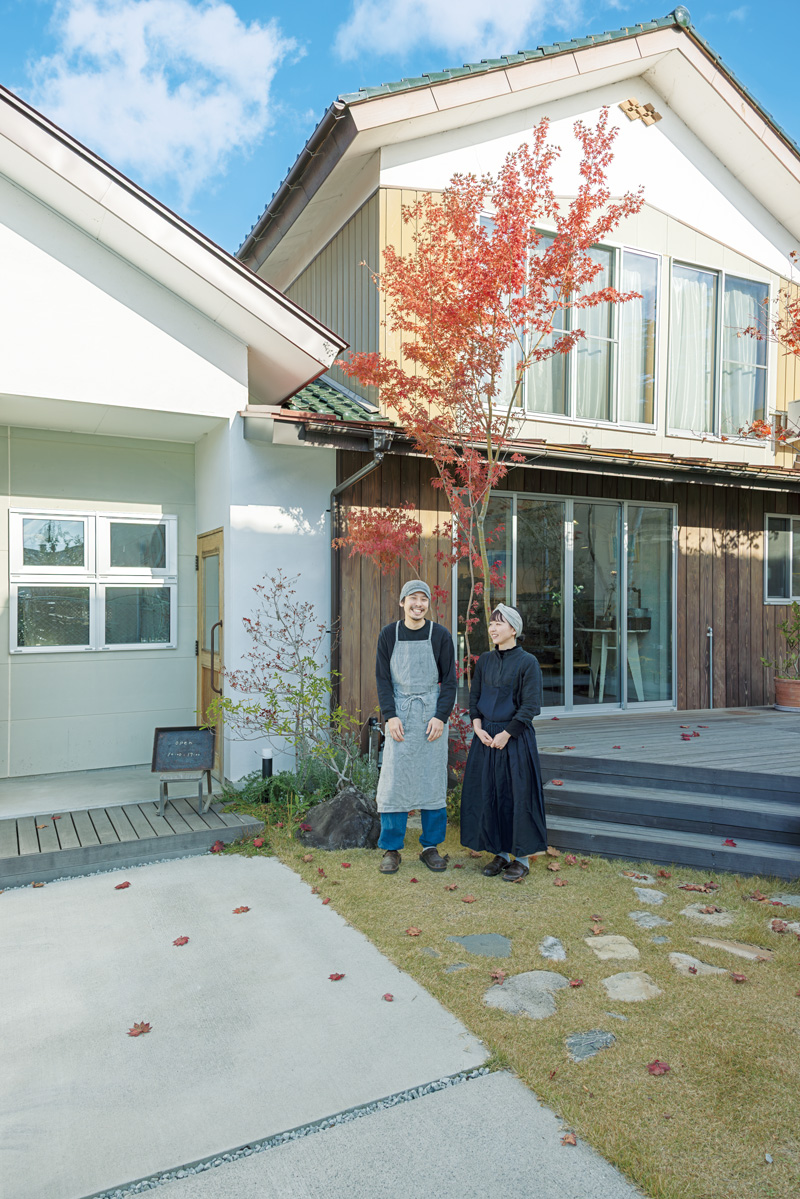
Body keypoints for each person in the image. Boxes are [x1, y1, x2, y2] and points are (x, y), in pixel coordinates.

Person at [460, 603, 547, 881]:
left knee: (517, 797)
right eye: (491, 624)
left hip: (515, 739)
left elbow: (530, 706)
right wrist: (477, 727)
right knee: (490, 796)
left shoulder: (528, 663)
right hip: (486, 739)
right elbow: (474, 699)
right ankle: (501, 853)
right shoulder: (484, 660)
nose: (493, 628)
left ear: (513, 629)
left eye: (499, 623)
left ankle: (521, 858)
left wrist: (507, 733)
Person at [374, 580, 457, 874]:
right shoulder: (388, 635)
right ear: (402, 602)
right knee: (395, 780)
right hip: (400, 716)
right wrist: (390, 715)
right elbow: (383, 680)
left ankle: (430, 846)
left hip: (431, 718)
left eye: (423, 599)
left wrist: (441, 716)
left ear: (428, 604)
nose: (418, 604)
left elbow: (449, 681)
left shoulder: (440, 635)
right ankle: (391, 848)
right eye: (413, 598)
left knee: (431, 779)